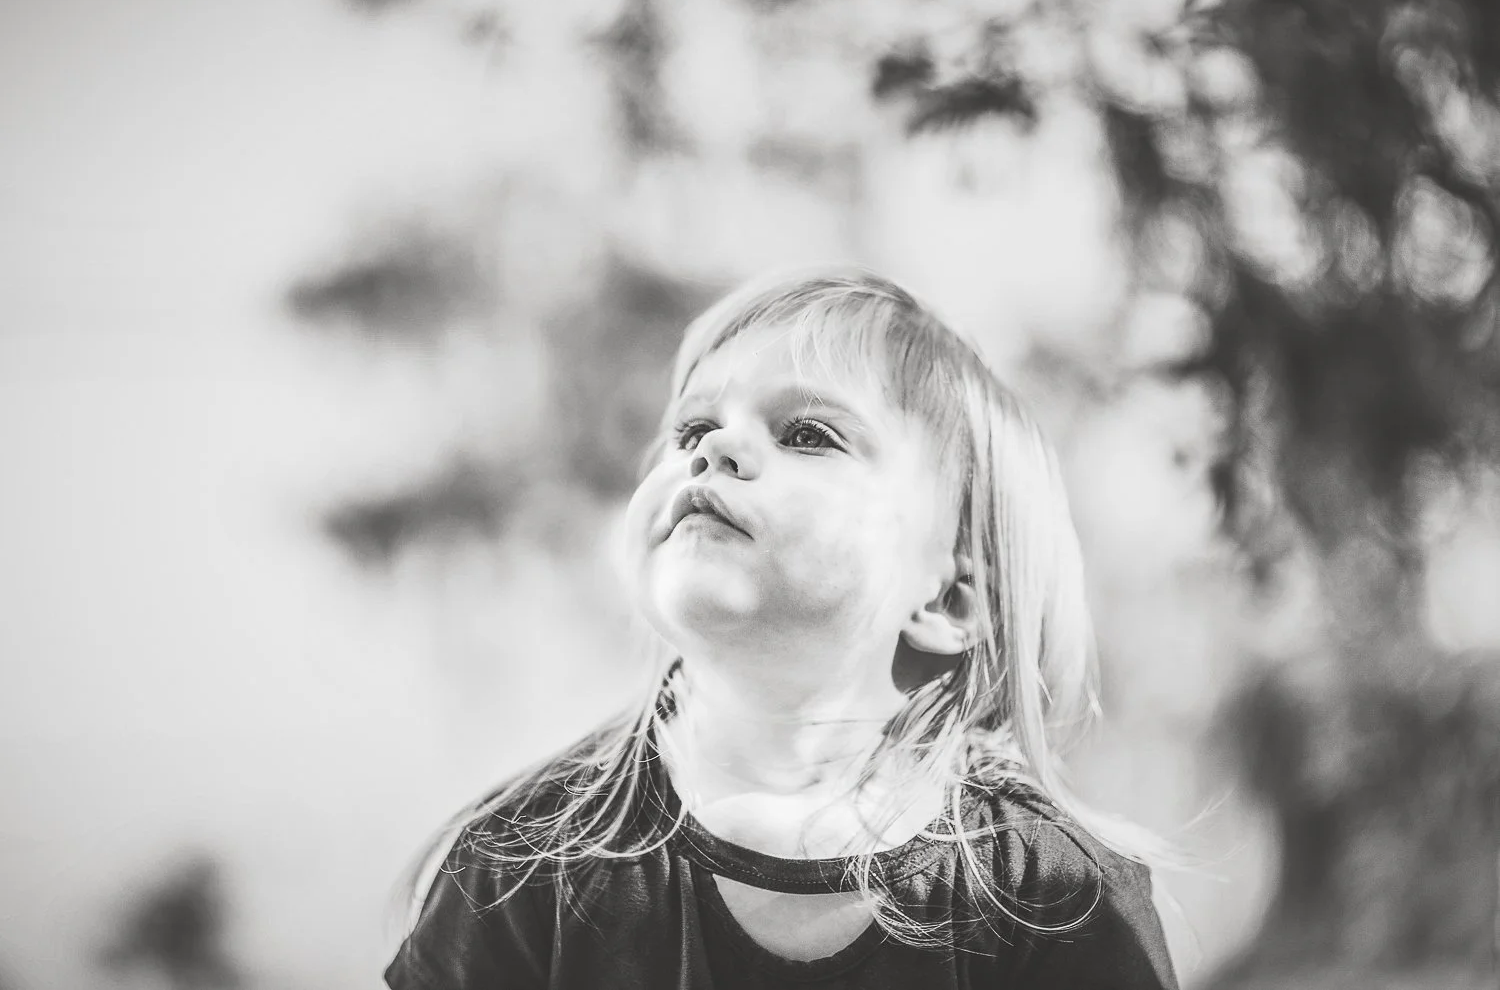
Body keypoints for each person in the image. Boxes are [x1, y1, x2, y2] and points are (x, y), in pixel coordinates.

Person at [384, 267, 1181, 989]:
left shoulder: (1052, 898)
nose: (717, 448)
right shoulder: (527, 862)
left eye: (808, 433)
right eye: (691, 431)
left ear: (948, 603)